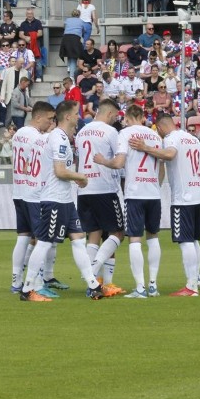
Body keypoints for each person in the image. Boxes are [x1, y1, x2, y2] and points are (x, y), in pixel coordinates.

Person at [19, 100, 105, 301]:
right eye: (77, 113)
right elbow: (59, 171)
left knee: (78, 240)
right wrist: (80, 177)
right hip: (54, 199)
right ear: (67, 116)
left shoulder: (63, 138)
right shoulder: (57, 138)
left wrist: (76, 178)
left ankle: (93, 286)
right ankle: (28, 289)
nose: (79, 116)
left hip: (65, 200)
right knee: (44, 243)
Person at [93, 104, 168, 298]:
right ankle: (153, 285)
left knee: (135, 238)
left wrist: (102, 161)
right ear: (143, 117)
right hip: (153, 193)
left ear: (126, 118)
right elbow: (161, 168)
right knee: (153, 237)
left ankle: (140, 288)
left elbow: (118, 163)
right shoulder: (156, 137)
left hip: (135, 193)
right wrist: (155, 185)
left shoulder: (125, 134)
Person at [154, 113, 200, 297]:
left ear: (161, 127)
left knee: (185, 240)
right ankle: (193, 282)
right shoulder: (192, 138)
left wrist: (147, 148)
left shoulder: (171, 139)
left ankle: (191, 285)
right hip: (197, 195)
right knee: (194, 240)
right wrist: (195, 180)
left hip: (183, 198)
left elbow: (170, 154)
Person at [74, 98, 125, 297]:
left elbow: (78, 159)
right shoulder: (110, 132)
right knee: (117, 233)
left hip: (85, 189)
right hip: (104, 188)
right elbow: (118, 161)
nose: (115, 120)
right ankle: (93, 272)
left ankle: (103, 283)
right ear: (110, 113)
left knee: (95, 234)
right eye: (115, 116)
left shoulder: (81, 132)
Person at [10, 101, 56, 299]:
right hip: (34, 193)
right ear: (38, 117)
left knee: (23, 236)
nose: (50, 123)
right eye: (49, 119)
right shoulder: (37, 137)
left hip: (18, 190)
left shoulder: (19, 133)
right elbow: (33, 163)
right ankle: (35, 282)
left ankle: (16, 280)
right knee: (41, 239)